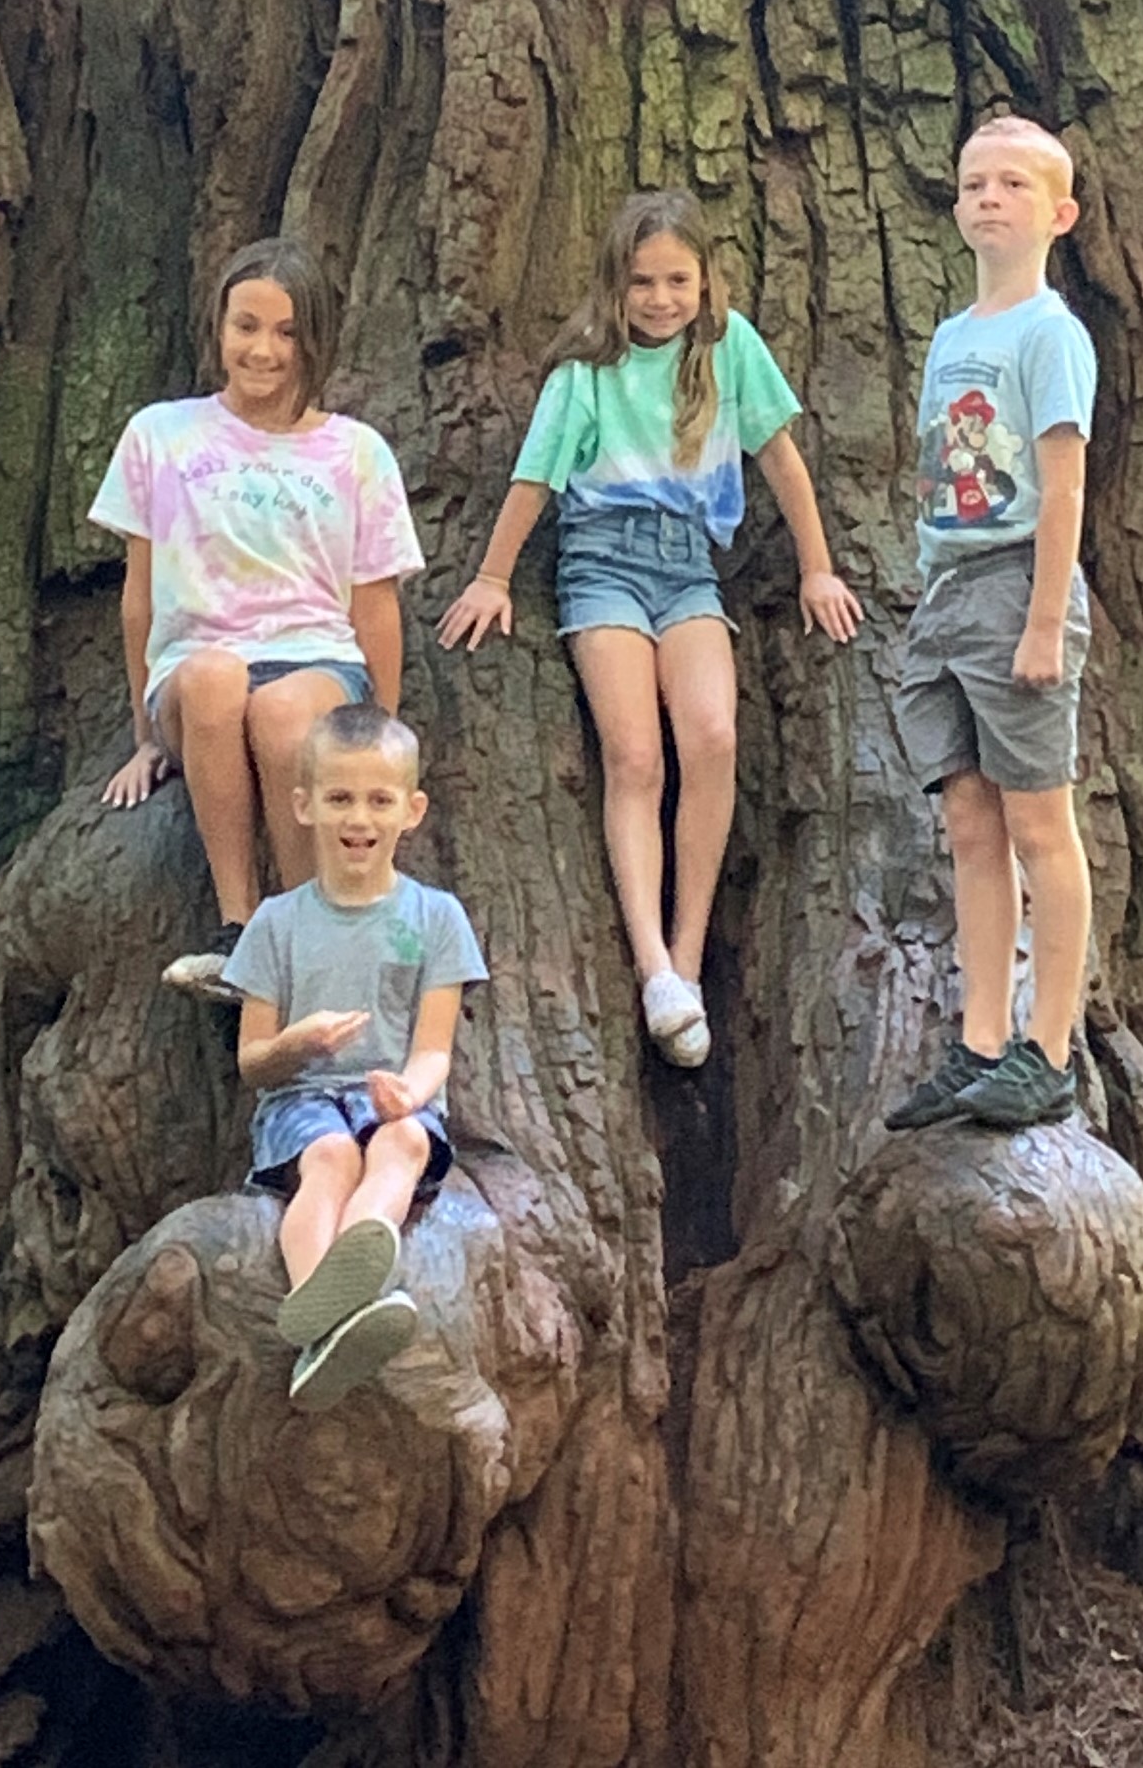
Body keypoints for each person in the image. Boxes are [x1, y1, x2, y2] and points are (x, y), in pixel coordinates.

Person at [438, 187, 859, 1070]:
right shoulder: (584, 373)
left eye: (677, 280)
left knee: (711, 736)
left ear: (706, 281)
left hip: (689, 566)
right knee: (637, 756)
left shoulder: (729, 350)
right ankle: (651, 964)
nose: (661, 299)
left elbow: (780, 458)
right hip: (601, 559)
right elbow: (537, 477)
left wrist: (819, 565)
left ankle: (690, 959)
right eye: (642, 283)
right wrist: (490, 576)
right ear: (614, 287)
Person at [93, 237, 421, 998]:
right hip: (195, 667)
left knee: (279, 713)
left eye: (284, 332)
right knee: (214, 678)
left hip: (316, 661)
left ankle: (315, 929)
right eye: (246, 327)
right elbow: (139, 594)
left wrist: (385, 739)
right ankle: (239, 931)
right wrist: (145, 736)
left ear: (314, 341)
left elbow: (376, 603)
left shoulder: (357, 452)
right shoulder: (159, 435)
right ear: (220, 329)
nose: (263, 350)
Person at [884, 114, 1098, 1134]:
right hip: (949, 590)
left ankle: (1048, 1046)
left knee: (1035, 823)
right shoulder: (952, 336)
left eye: (1012, 183)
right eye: (974, 182)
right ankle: (978, 1040)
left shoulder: (1048, 333)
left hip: (1019, 585)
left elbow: (1061, 486)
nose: (988, 198)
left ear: (1056, 213)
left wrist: (1045, 621)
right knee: (968, 822)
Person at [226, 701, 488, 1409]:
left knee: (400, 1142)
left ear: (412, 809)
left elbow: (434, 1047)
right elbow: (252, 1061)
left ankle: (360, 1261)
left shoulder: (436, 917)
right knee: (332, 1157)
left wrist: (410, 1091)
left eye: (378, 800)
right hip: (301, 1099)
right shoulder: (276, 925)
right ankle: (323, 1311)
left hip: (392, 1093)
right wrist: (296, 1044)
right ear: (305, 805)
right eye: (340, 799)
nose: (359, 819)